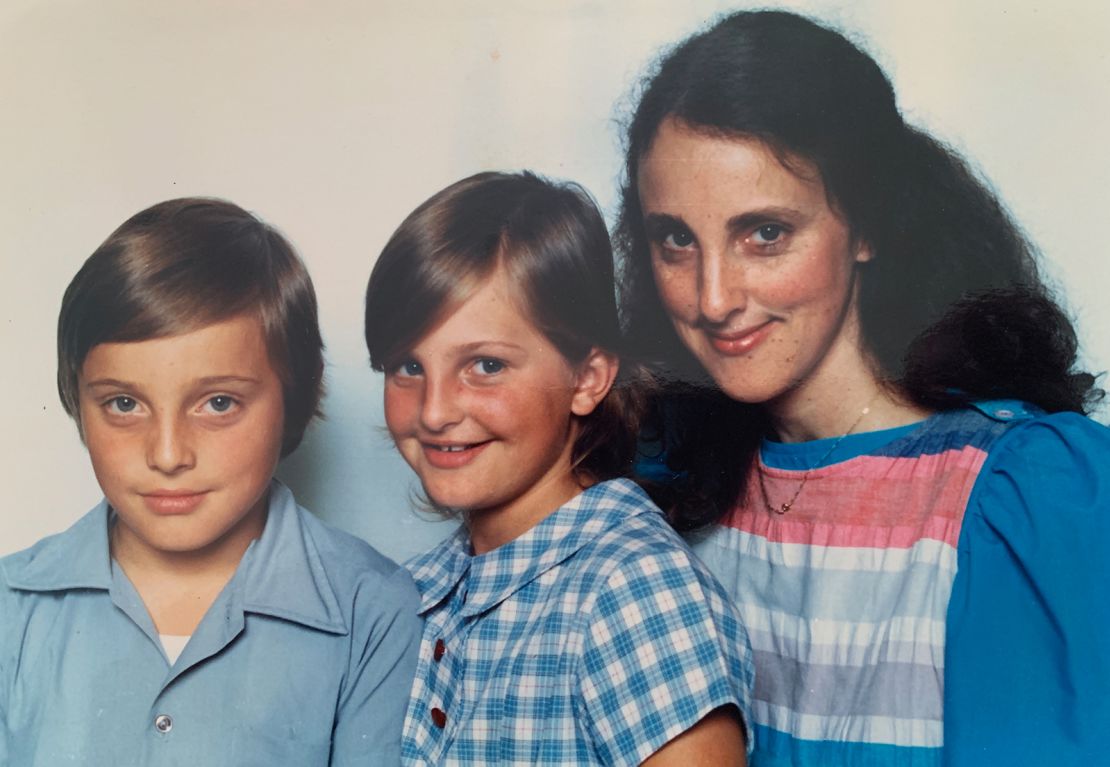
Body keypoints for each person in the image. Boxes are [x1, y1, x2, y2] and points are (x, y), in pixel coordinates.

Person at [616, 10, 1110, 767]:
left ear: (869, 223)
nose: (713, 297)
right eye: (676, 238)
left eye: (765, 233)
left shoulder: (1021, 492)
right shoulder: (664, 486)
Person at [0, 198, 422, 766]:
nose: (168, 454)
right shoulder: (11, 605)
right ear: (76, 400)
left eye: (218, 403)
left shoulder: (375, 613)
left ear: (295, 398)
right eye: (124, 403)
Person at [364, 171, 754, 766]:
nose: (435, 411)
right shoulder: (414, 590)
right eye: (407, 368)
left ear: (587, 377)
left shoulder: (634, 589)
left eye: (486, 365)